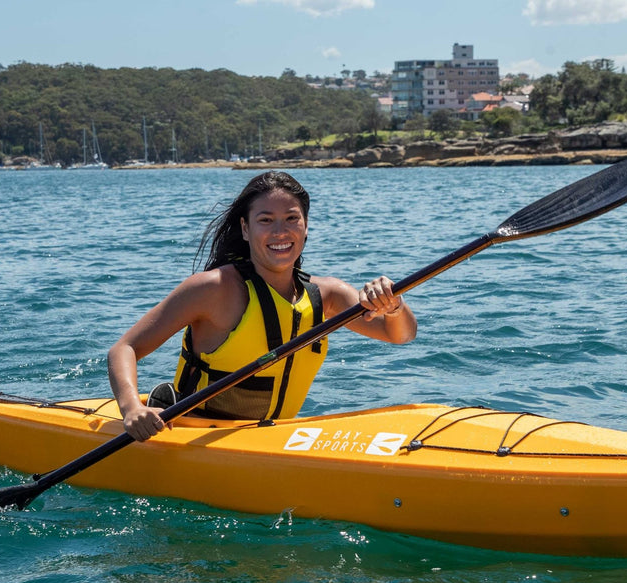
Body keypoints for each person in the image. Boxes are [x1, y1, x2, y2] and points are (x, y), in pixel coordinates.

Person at [108, 171, 417, 441]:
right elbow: (125, 348)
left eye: (292, 219)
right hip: (195, 435)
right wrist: (131, 407)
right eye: (265, 220)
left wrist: (393, 306)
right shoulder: (214, 289)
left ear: (306, 226)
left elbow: (401, 335)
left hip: (272, 437)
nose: (280, 232)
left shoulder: (328, 295)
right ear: (246, 229)